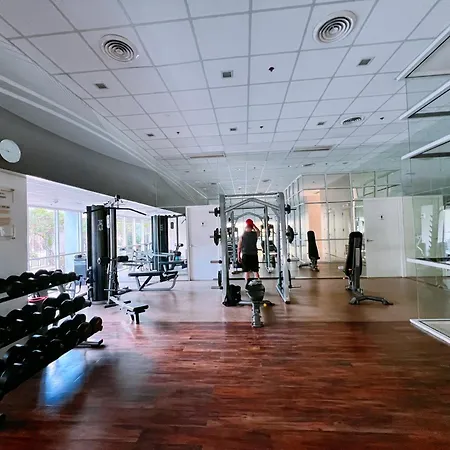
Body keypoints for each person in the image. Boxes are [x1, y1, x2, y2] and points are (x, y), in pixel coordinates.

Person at [238, 219, 260, 289]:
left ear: (246, 227)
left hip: (246, 255)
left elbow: (239, 247)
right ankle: (258, 285)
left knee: (247, 272)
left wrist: (238, 256)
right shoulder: (255, 234)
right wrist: (253, 225)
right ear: (252, 227)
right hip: (253, 255)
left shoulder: (242, 236)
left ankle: (247, 285)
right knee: (255, 271)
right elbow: (258, 231)